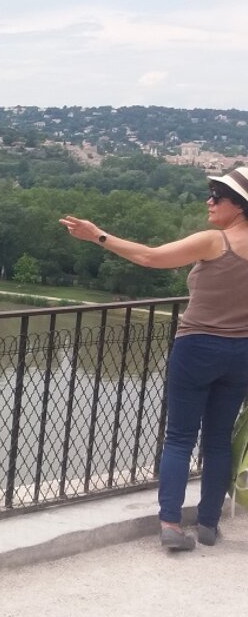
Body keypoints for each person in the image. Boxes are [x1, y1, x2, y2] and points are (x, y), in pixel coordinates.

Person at [60, 165, 248, 550]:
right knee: (217, 440)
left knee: (179, 437)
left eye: (218, 196)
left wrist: (97, 234)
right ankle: (209, 523)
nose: (209, 201)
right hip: (241, 353)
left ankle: (171, 526)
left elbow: (150, 257)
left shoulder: (215, 241)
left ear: (241, 206)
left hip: (198, 346)